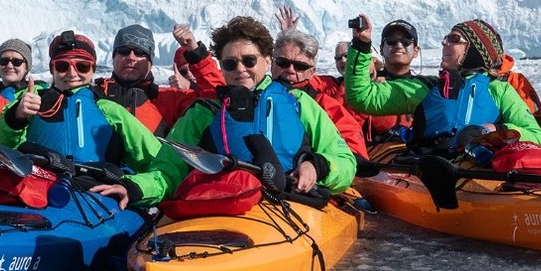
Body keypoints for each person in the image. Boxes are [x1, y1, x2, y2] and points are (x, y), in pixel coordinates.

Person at [163, 16, 357, 195]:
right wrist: (135, 189)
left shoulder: (298, 102)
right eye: (230, 64)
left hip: (290, 203)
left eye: (249, 60)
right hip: (225, 206)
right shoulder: (204, 112)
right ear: (221, 67)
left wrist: (316, 166)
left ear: (266, 61)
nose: (240, 69)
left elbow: (345, 161)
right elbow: (165, 170)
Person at [0, 30, 184, 209]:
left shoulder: (110, 111)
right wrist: (15, 118)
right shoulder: (28, 103)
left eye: (82, 66)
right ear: (52, 69)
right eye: (62, 65)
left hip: (96, 197)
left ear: (92, 70)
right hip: (35, 195)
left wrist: (134, 187)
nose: (72, 73)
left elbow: (160, 164)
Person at [344, 15, 541, 155]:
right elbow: (362, 96)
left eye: (453, 39)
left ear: (475, 49)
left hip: (481, 168)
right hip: (430, 166)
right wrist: (361, 45)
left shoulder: (499, 89)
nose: (444, 43)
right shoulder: (428, 88)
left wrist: (494, 129)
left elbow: (536, 136)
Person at [91, 23, 224, 135]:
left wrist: (197, 54)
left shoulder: (171, 100)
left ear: (150, 61)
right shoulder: (93, 96)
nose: (131, 57)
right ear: (113, 57)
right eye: (124, 51)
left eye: (140, 53)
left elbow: (216, 102)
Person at [270, 28, 368, 159]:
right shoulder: (254, 95)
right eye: (283, 63)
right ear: (271, 62)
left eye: (300, 66)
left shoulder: (325, 105)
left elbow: (354, 151)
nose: (290, 70)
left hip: (309, 175)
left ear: (312, 72)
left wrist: (318, 165)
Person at [361, 19, 421, 145]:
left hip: (415, 156)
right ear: (381, 49)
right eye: (391, 41)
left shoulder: (423, 87)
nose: (399, 45)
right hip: (374, 157)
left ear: (416, 51)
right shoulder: (366, 85)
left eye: (406, 42)